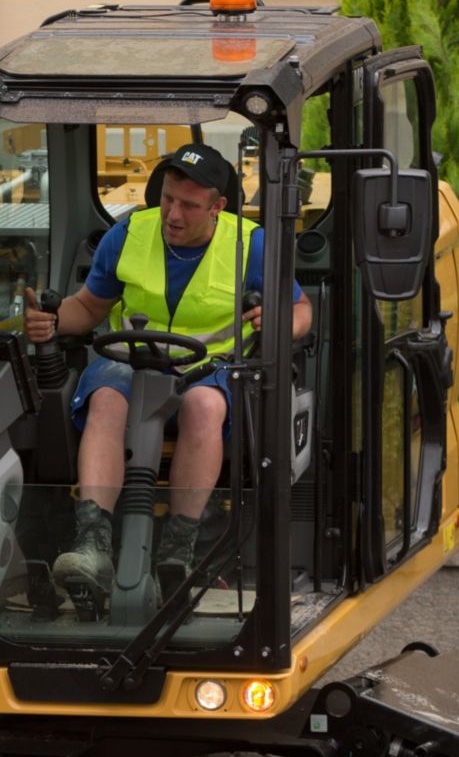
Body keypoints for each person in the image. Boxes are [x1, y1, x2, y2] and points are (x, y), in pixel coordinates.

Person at [22, 141, 311, 605]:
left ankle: (179, 550)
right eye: (168, 200)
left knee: (204, 405)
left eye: (189, 206)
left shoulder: (250, 245)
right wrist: (53, 322)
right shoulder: (129, 234)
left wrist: (282, 322)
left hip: (207, 372)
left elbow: (301, 309)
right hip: (128, 368)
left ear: (217, 207)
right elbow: (88, 308)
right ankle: (92, 544)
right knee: (106, 398)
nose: (173, 215)